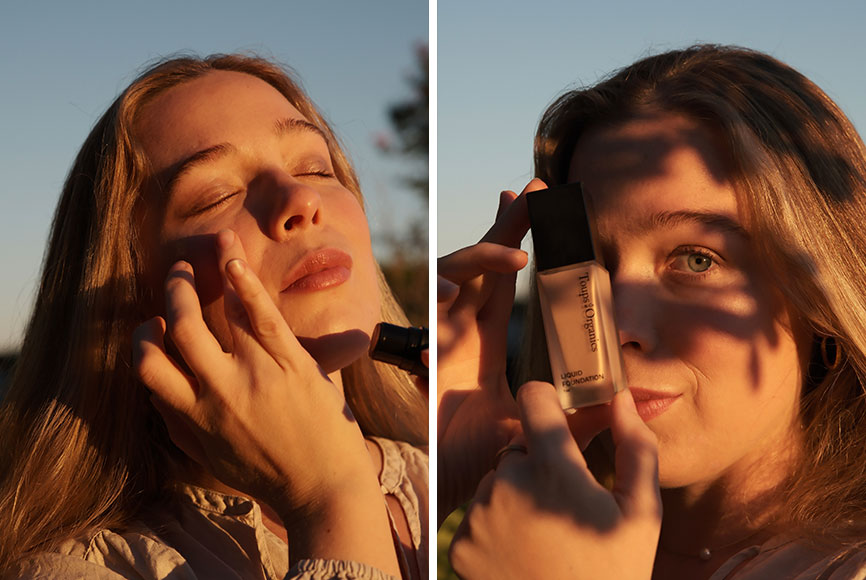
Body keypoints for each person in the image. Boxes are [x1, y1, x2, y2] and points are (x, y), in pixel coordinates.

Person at [438, 44, 866, 579]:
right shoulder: (518, 536)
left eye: (696, 259)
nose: (616, 326)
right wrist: (437, 478)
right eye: (586, 262)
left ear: (820, 300)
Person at [0, 54, 428, 580]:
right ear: (139, 298)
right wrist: (330, 497)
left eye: (316, 168)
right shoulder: (78, 570)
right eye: (216, 195)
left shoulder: (454, 477)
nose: (301, 198)